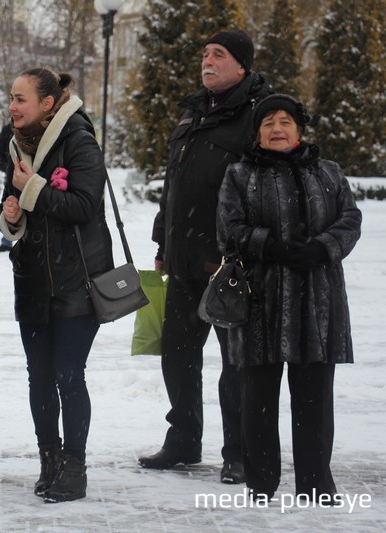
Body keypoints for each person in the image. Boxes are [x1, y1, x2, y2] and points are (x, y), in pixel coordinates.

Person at [140, 30, 272, 484]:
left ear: (242, 66)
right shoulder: (193, 112)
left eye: (218, 54)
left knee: (236, 364)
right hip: (184, 260)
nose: (207, 61)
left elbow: (262, 190)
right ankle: (183, 440)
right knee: (177, 356)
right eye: (204, 53)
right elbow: (174, 186)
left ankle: (238, 450)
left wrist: (237, 250)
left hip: (228, 265)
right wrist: (163, 243)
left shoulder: (256, 114)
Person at [217, 94, 361, 501]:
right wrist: (272, 248)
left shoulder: (328, 172)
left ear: (299, 129)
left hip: (318, 304)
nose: (276, 129)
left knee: (315, 403)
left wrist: (322, 247)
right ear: (258, 132)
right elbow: (229, 229)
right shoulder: (240, 175)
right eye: (268, 123)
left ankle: (316, 485)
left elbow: (350, 219)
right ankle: (261, 484)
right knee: (258, 401)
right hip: (259, 301)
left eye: (285, 121)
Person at [0, 67, 113, 503]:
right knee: (40, 377)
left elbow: (84, 205)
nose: (12, 106)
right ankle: (49, 459)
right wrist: (10, 216)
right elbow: (14, 210)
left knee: (68, 374)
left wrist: (34, 189)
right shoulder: (14, 147)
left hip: (76, 281)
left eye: (21, 98)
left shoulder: (79, 140)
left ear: (48, 103)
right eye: (11, 97)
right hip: (32, 282)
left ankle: (74, 466)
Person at [0, 123, 13, 252]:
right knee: (10, 206)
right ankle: (6, 241)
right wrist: (9, 169)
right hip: (12, 176)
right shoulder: (8, 129)